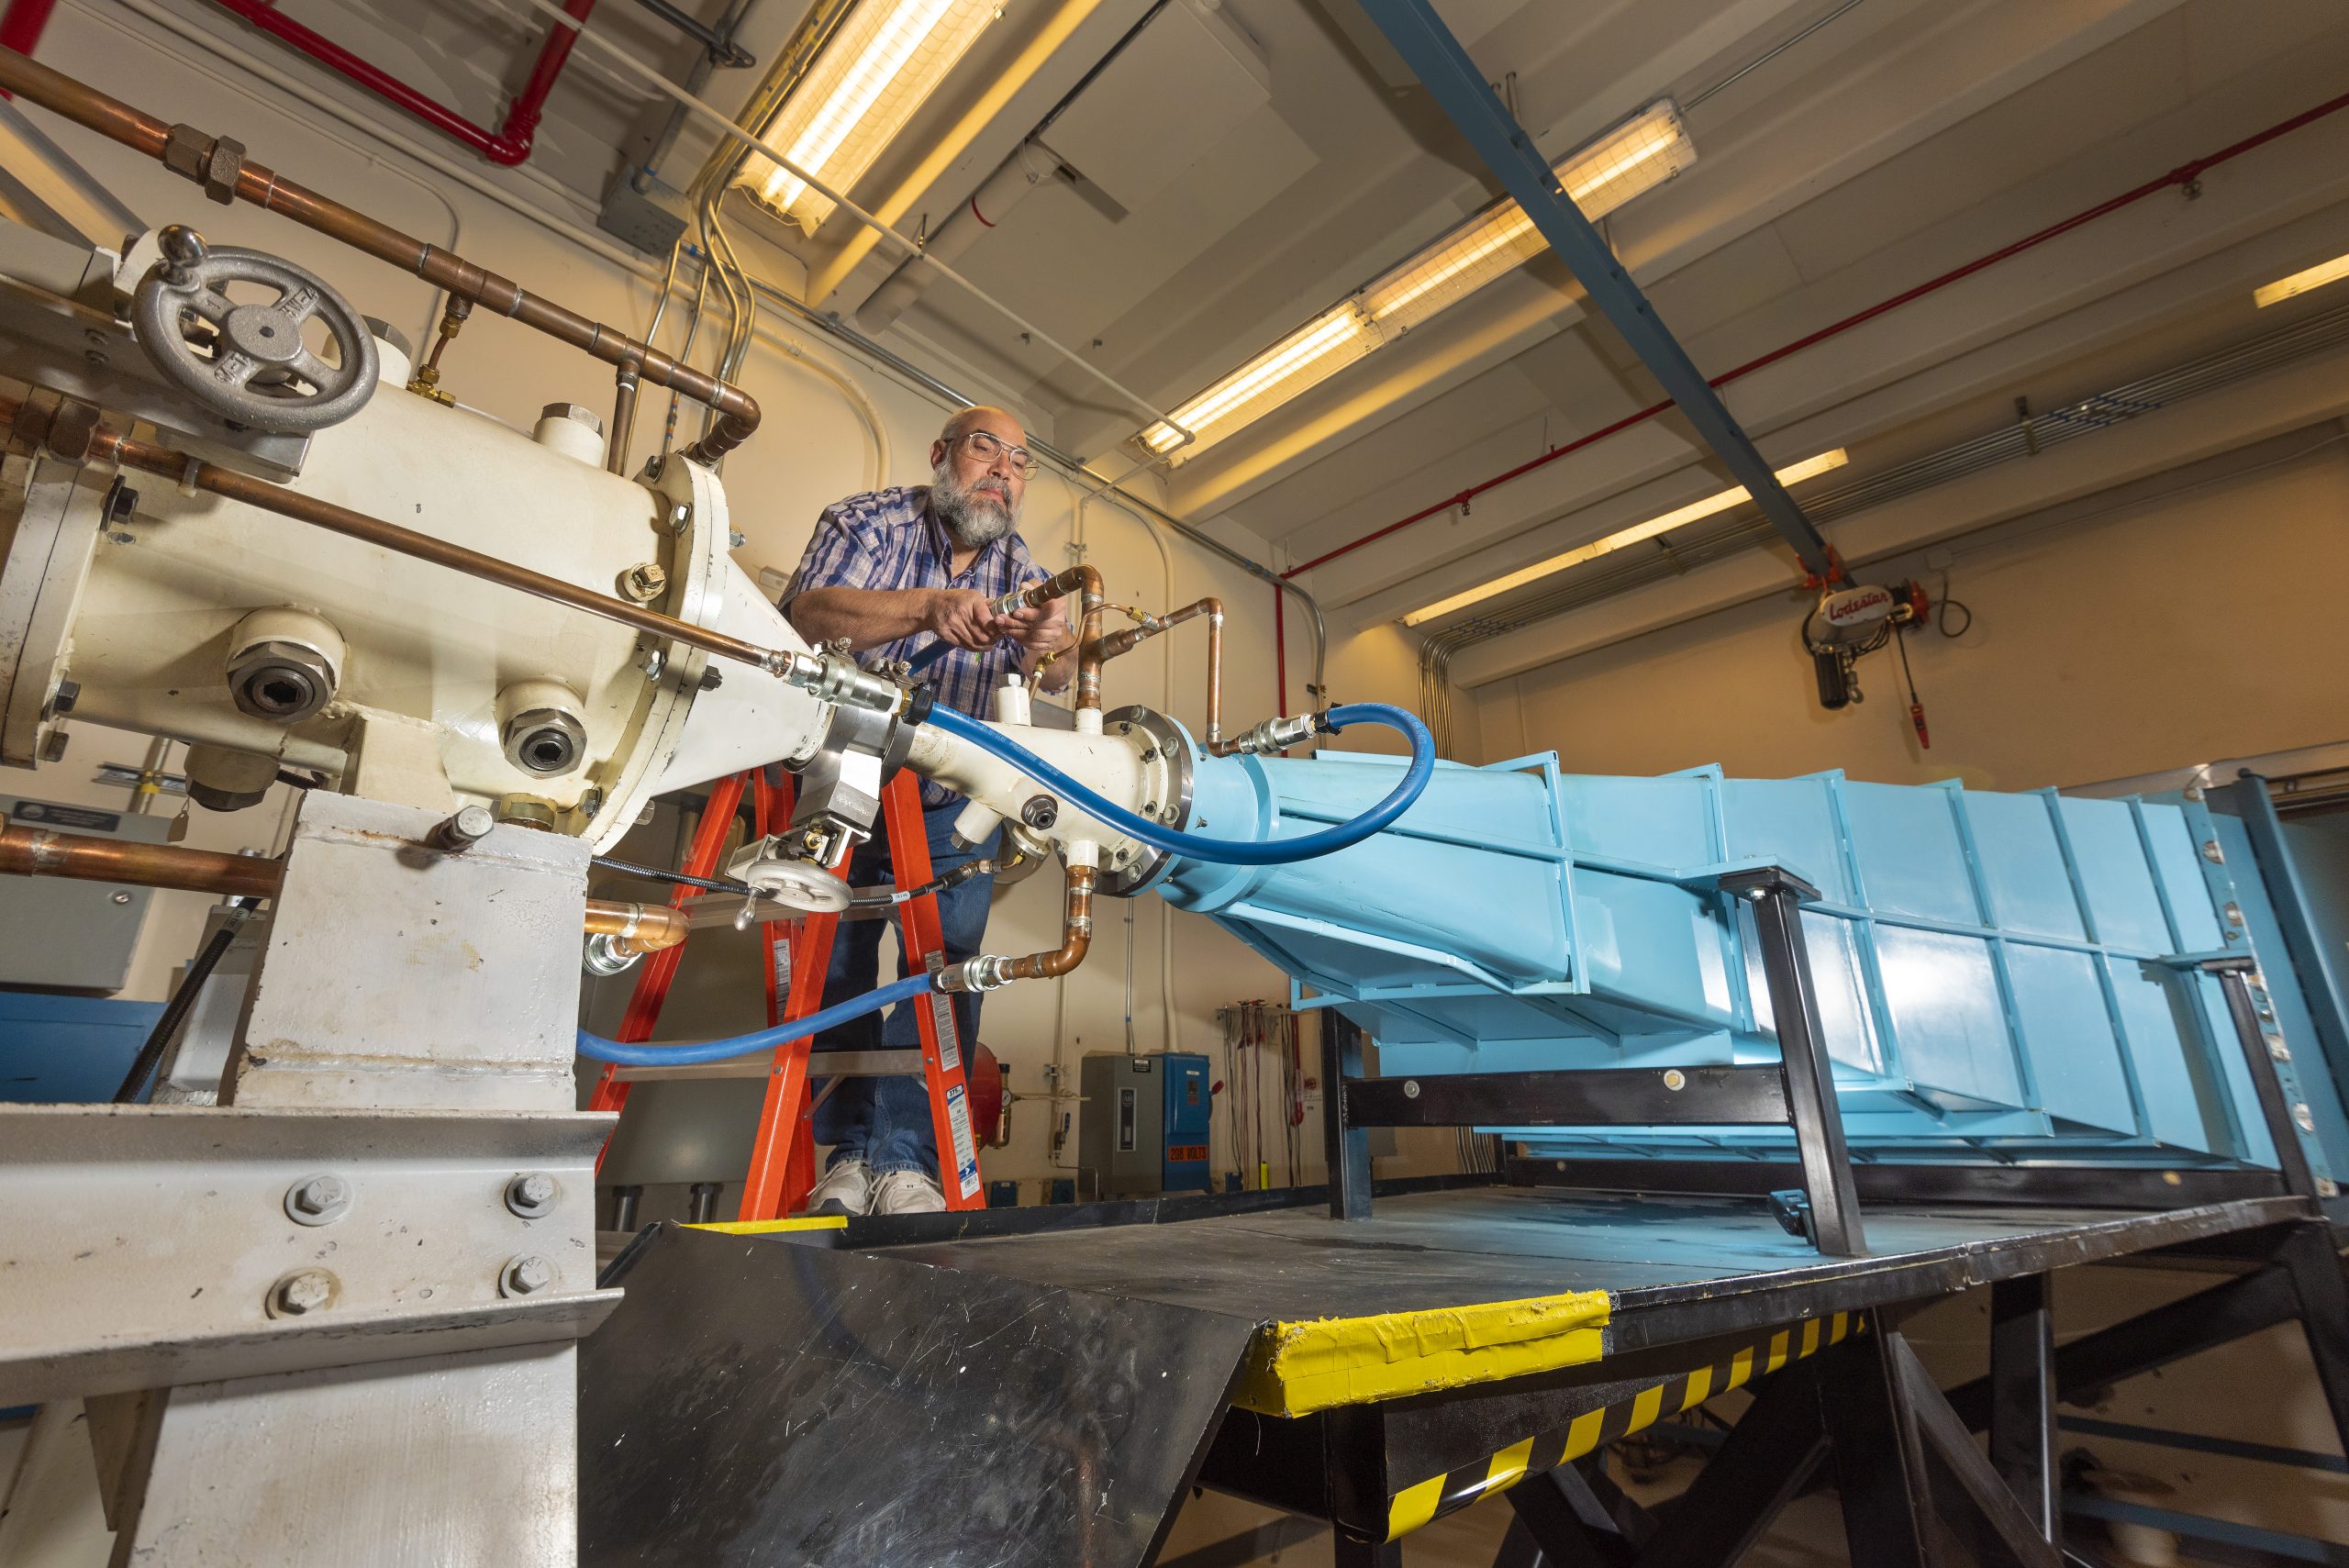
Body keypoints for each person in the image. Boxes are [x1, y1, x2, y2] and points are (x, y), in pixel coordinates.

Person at [778, 406, 1074, 1214]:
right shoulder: (867, 520)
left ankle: (907, 1161)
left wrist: (1055, 638)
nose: (1004, 471)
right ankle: (845, 1155)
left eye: (1020, 461)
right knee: (837, 965)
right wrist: (923, 607)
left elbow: (1054, 670)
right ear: (942, 454)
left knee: (943, 971)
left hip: (947, 805)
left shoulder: (1020, 563)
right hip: (837, 780)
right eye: (988, 449)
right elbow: (808, 613)